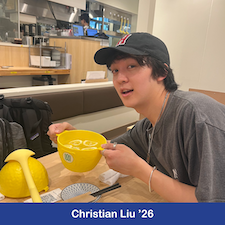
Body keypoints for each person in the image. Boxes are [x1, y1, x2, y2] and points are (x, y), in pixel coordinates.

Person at [47, 32, 225, 202]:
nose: (119, 79)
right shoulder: (147, 127)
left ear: (162, 72)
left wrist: (139, 169)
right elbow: (107, 148)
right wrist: (74, 136)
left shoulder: (196, 116)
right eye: (115, 70)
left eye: (131, 66)